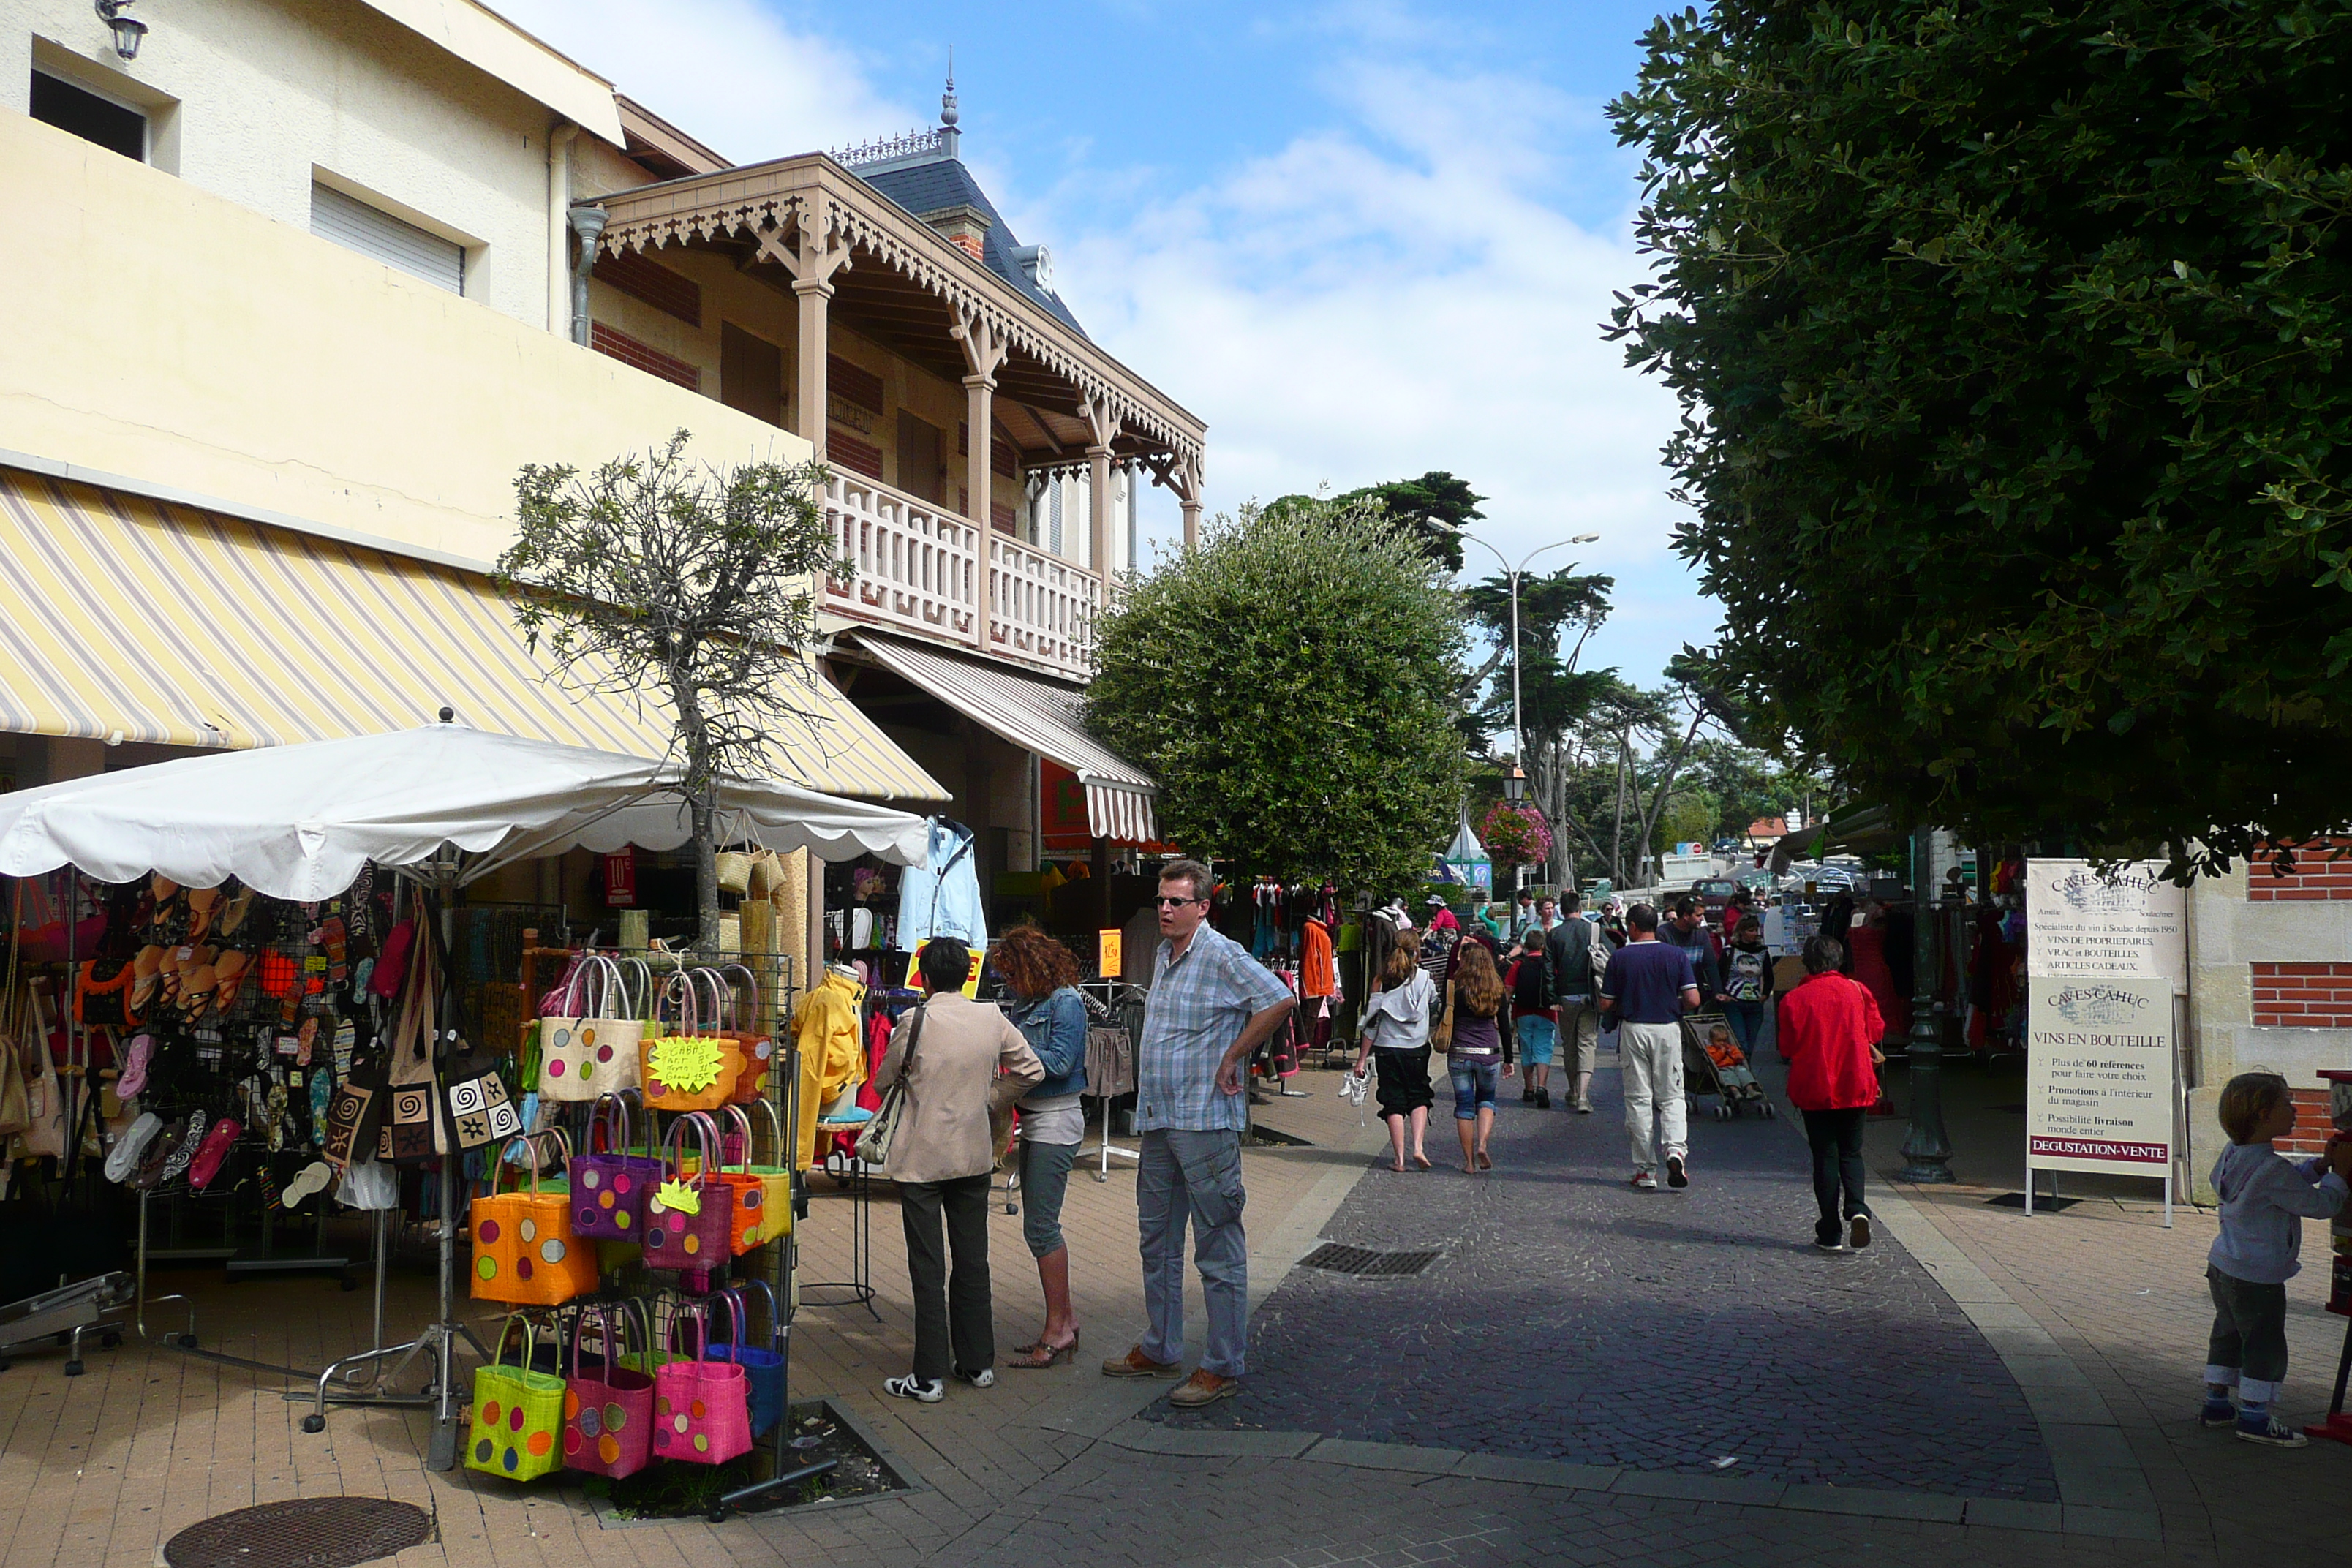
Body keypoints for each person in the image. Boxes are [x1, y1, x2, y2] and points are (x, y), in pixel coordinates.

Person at [1103, 859, 1295, 1409]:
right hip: (1161, 1117)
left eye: (1176, 902)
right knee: (1157, 1240)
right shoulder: (1165, 954)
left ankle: (1222, 1363)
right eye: (1162, 900)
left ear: (1203, 906)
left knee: (1217, 1243)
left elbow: (1280, 998)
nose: (1164, 909)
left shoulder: (1221, 953)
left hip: (1206, 1120)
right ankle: (1161, 1346)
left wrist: (1236, 1055)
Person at [875, 938, 1045, 1402]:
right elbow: (1030, 1070)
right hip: (972, 1156)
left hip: (921, 1160)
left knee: (927, 1267)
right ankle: (977, 1363)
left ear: (924, 977)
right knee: (973, 1261)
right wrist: (988, 1099)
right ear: (967, 975)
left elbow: (883, 1080)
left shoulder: (915, 1022)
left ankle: (928, 1376)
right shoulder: (991, 1017)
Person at [2201, 1071, 2352, 1447]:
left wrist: (2318, 1168)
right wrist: (2342, 1175)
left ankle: (2216, 1403)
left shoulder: (2233, 1154)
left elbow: (2281, 1186)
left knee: (2228, 1335)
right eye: (2286, 1103)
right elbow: (2320, 1205)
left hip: (2224, 1265)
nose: (2295, 1109)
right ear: (2263, 1115)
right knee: (2265, 1344)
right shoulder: (2271, 1169)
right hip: (2258, 1276)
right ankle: (2255, 1415)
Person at [992, 925, 1089, 1370]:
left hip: (1056, 1119)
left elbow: (1062, 1062)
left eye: (1013, 973)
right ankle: (1064, 1321)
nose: (1009, 983)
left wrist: (1013, 1054)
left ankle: (1057, 1330)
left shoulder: (1065, 1001)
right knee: (1039, 1225)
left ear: (1031, 967)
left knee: (1042, 1229)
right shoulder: (1026, 1000)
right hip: (1035, 1121)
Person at [1777, 935, 1882, 1251]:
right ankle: (1857, 1208)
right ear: (1839, 960)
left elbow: (1787, 1047)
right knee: (1852, 1151)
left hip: (1816, 1085)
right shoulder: (1857, 991)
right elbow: (1876, 1030)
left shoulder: (1795, 998)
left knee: (1825, 1155)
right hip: (1855, 1081)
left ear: (1808, 963)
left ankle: (1830, 1230)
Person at [1597, 903, 1699, 1191]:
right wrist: (1669, 1002)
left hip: (1634, 1029)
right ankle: (1676, 1151)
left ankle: (1645, 1169)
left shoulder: (1621, 958)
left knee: (1639, 1099)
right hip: (1667, 1028)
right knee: (1671, 1097)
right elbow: (1693, 1000)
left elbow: (1606, 1002)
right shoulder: (1675, 955)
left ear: (1631, 927)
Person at [1355, 930, 1437, 1172]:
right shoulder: (1424, 978)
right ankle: (1418, 1148)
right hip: (1416, 1047)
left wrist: (1361, 1060)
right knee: (1419, 1095)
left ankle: (1399, 1159)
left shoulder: (1381, 980)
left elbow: (1372, 1023)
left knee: (1393, 1100)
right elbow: (1433, 1002)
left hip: (1387, 1048)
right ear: (1417, 953)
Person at [1442, 941, 1514, 1171]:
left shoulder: (1456, 989)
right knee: (1486, 1100)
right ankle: (1482, 1144)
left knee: (1464, 1107)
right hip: (1488, 1055)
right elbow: (1504, 1026)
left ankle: (1469, 1163)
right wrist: (1509, 1059)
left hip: (1460, 1054)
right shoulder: (1496, 988)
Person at [1546, 894, 1611, 1113]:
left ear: (1561, 911)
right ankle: (1584, 1095)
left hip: (1565, 997)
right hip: (1590, 996)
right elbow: (1612, 956)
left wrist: (1553, 997)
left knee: (1569, 1045)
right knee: (1587, 1043)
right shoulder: (1593, 930)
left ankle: (1572, 1090)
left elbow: (1548, 970)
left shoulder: (1555, 934)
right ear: (1580, 908)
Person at [1504, 933, 1556, 1107]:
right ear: (1543, 947)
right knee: (1544, 1050)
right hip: (1546, 1013)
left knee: (1526, 1050)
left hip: (1523, 1012)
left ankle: (1529, 1089)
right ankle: (1542, 1086)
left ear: (1526, 947)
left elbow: (1509, 990)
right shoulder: (1549, 965)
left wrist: (1502, 1013)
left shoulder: (1518, 965)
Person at [1720, 913, 1776, 1058]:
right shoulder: (1730, 951)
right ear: (1742, 931)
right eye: (1751, 930)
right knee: (1741, 1044)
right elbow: (1720, 974)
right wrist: (1723, 995)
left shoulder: (1762, 952)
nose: (1755, 934)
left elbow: (1769, 976)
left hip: (1754, 1004)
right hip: (1734, 1002)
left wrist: (1764, 995)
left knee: (1750, 1048)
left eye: (1756, 930)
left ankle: (1748, 1074)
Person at [1662, 897, 1723, 1001]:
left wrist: (1717, 991)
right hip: (1670, 994)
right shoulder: (1664, 934)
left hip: (1694, 994)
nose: (1702, 919)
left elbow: (1710, 965)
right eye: (1698, 915)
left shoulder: (1702, 934)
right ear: (1686, 916)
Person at [1703, 1023, 1763, 1104]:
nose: (1722, 1043)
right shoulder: (1711, 1049)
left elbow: (1738, 1055)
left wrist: (1737, 1057)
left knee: (1744, 1073)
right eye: (1719, 1041)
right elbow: (1714, 1060)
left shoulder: (1730, 1047)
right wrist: (1721, 1052)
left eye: (1724, 1041)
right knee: (1729, 1077)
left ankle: (1750, 1090)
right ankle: (1736, 1092)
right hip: (1722, 1068)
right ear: (1712, 1040)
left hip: (1735, 1066)